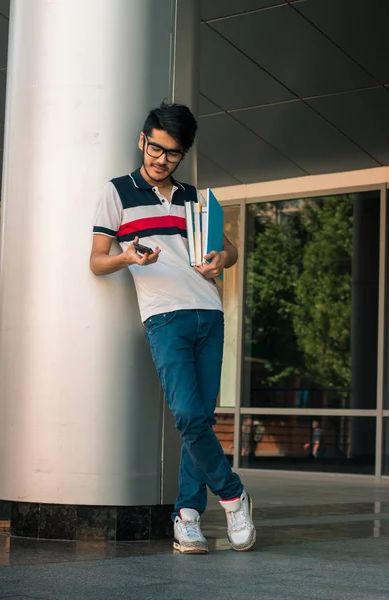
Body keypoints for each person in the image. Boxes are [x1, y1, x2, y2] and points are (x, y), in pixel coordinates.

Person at [90, 101, 256, 554]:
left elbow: (230, 250)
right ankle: (233, 494)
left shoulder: (194, 197)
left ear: (183, 154)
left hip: (210, 312)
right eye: (156, 149)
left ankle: (186, 516)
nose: (162, 160)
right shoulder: (117, 192)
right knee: (187, 414)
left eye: (173, 154)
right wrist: (127, 256)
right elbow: (97, 260)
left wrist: (222, 258)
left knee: (199, 420)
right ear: (142, 141)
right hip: (164, 317)